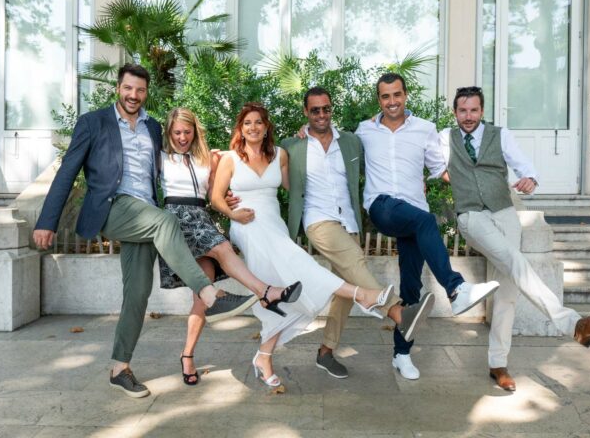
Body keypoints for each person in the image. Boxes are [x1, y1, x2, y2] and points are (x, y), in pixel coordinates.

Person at [32, 64, 254, 399]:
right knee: (167, 221)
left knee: (138, 293)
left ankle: (119, 368)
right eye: (128, 88)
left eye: (140, 90)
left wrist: (221, 183)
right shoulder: (94, 123)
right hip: (112, 207)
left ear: (145, 92)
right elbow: (67, 172)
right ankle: (209, 295)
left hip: (145, 213)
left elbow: (184, 152)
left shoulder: (152, 127)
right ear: (117, 88)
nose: (133, 95)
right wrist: (47, 221)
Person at [211, 102, 395, 387]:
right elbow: (216, 198)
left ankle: (264, 356)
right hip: (246, 225)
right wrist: (232, 212)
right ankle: (363, 294)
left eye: (258, 122)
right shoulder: (230, 158)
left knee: (281, 290)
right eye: (247, 123)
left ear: (266, 126)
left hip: (274, 225)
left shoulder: (280, 155)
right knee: (298, 264)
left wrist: (304, 138)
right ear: (240, 128)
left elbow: (296, 186)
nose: (253, 127)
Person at [438, 86, 590, 391]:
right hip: (471, 217)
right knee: (515, 260)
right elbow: (436, 169)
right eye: (462, 111)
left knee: (508, 289)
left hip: (504, 211)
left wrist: (530, 179)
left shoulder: (499, 135)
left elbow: (523, 165)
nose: (468, 117)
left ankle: (498, 364)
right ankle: (573, 325)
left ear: (482, 111)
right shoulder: (444, 138)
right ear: (455, 112)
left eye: (474, 110)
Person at [281, 86, 434, 379]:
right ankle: (397, 312)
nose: (322, 114)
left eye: (326, 108)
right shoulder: (292, 146)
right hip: (318, 221)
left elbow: (386, 157)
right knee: (356, 265)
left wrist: (414, 182)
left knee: (346, 289)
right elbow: (273, 171)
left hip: (348, 221)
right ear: (306, 112)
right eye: (315, 110)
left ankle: (326, 351)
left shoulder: (350, 142)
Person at [355, 73, 500, 380]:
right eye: (385, 97)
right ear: (378, 100)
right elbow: (337, 148)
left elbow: (439, 169)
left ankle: (401, 354)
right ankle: (456, 287)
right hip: (381, 206)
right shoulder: (365, 130)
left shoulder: (424, 128)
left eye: (397, 94)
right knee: (426, 220)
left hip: (413, 214)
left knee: (411, 288)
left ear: (405, 95)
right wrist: (304, 132)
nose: (391, 101)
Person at [158, 107, 302, 386]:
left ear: (195, 131)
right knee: (223, 248)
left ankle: (187, 355)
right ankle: (266, 292)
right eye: (176, 132)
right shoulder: (160, 156)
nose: (182, 137)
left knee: (202, 293)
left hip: (200, 217)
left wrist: (231, 199)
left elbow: (229, 179)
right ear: (169, 132)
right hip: (175, 219)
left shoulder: (211, 157)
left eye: (187, 131)